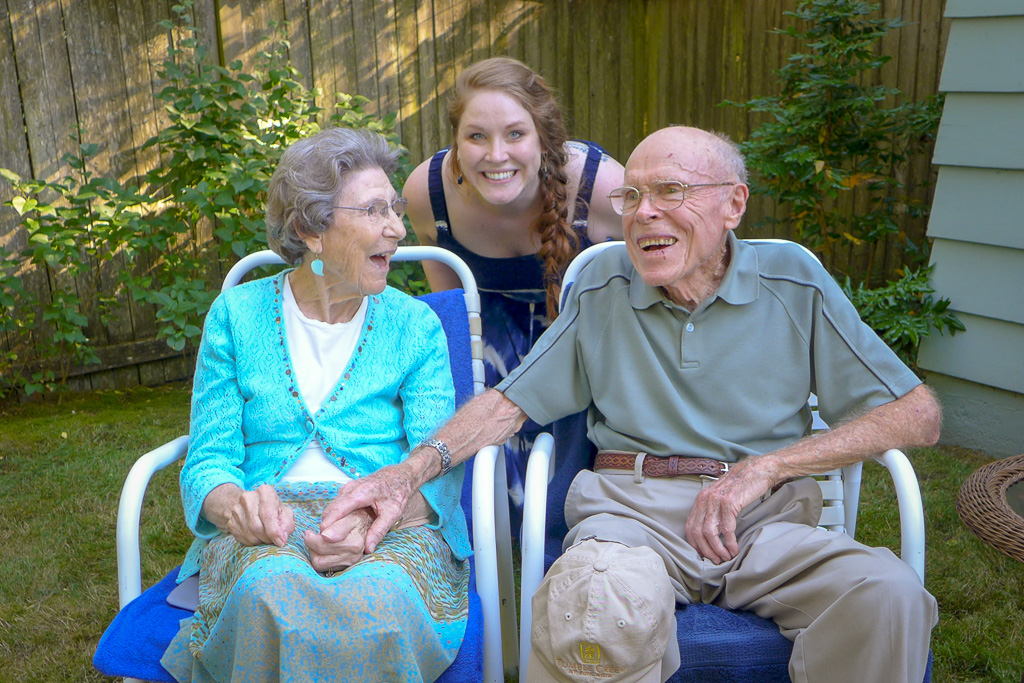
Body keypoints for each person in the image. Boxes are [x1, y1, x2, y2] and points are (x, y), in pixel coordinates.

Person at [330, 125, 943, 683]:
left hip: (767, 523)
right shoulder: (604, 288)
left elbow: (917, 414)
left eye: (671, 191)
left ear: (733, 204)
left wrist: (767, 468)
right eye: (632, 197)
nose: (645, 213)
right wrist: (406, 474)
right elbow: (507, 405)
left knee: (888, 592)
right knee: (593, 603)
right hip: (633, 519)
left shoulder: (792, 281)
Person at [159, 127, 471, 683]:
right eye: (375, 210)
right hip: (267, 530)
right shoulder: (237, 316)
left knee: (378, 601)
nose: (398, 229)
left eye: (395, 208)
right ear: (310, 230)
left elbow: (439, 463)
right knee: (272, 592)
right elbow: (208, 460)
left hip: (390, 525)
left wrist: (380, 518)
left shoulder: (415, 325)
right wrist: (236, 508)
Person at [403, 57, 624, 524]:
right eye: (477, 136)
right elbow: (453, 323)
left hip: (583, 334)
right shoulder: (428, 193)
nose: (496, 154)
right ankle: (473, 519)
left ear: (544, 138)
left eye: (515, 134)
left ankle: (569, 510)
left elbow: (642, 299)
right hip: (493, 338)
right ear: (456, 142)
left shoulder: (600, 187)